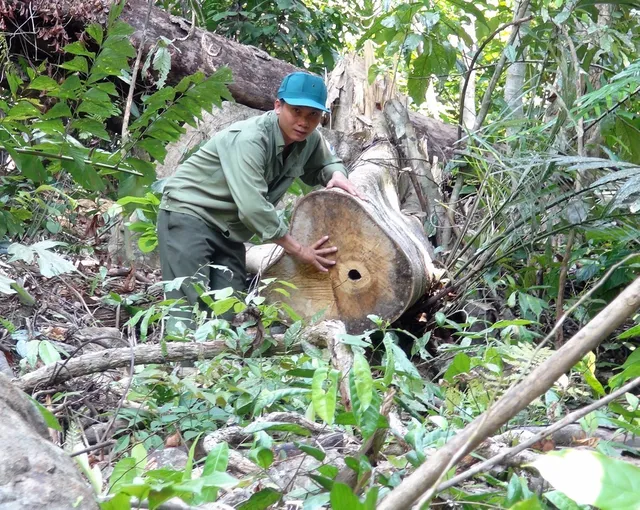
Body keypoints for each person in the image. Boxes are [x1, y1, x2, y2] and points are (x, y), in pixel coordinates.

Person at [157, 72, 363, 326]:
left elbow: (328, 162)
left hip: (230, 231)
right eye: (296, 111)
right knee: (188, 307)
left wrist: (338, 175)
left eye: (313, 115)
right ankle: (177, 363)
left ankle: (217, 363)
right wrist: (299, 250)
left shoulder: (309, 140)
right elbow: (253, 207)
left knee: (228, 311)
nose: (303, 122)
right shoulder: (251, 140)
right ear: (278, 106)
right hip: (189, 216)